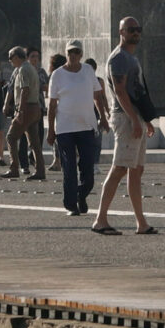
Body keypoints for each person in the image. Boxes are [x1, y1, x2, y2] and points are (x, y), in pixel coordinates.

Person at [92, 17, 156, 237]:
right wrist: (133, 119)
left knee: (136, 170)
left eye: (138, 29)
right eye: (131, 30)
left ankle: (141, 222)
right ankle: (100, 220)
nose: (135, 33)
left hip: (135, 116)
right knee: (119, 168)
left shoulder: (130, 57)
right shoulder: (119, 58)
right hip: (125, 117)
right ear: (121, 32)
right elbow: (120, 92)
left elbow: (136, 91)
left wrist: (145, 120)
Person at [45, 41, 105, 217]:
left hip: (86, 126)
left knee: (88, 168)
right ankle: (71, 205)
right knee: (69, 167)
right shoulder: (57, 75)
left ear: (81, 54)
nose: (73, 55)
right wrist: (50, 130)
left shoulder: (87, 71)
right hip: (64, 128)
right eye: (70, 52)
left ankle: (81, 194)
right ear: (67, 53)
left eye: (76, 52)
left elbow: (97, 95)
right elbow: (52, 104)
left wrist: (103, 117)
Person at [7, 45, 46, 181]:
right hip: (36, 107)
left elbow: (25, 90)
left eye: (11, 58)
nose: (10, 61)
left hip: (27, 108)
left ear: (17, 57)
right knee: (35, 143)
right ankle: (40, 170)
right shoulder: (31, 68)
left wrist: (20, 111)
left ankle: (14, 168)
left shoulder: (23, 69)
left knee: (11, 137)